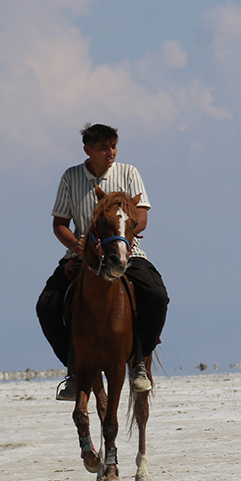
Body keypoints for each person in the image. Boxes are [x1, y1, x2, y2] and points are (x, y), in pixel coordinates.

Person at [36, 123, 169, 401]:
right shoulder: (71, 177)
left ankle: (139, 362)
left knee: (157, 296)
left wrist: (123, 237)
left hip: (126, 252)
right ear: (88, 150)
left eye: (113, 146)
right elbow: (60, 223)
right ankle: (74, 370)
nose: (110, 152)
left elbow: (142, 216)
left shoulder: (129, 173)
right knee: (46, 306)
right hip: (82, 256)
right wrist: (76, 245)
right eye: (103, 148)